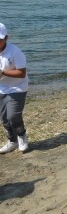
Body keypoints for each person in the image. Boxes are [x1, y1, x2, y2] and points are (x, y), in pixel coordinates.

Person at [0, 23, 29, 154]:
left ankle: (22, 136)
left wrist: (2, 73)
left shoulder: (15, 52)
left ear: (6, 38)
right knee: (4, 119)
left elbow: (21, 73)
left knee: (13, 116)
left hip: (17, 87)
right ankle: (12, 141)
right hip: (1, 87)